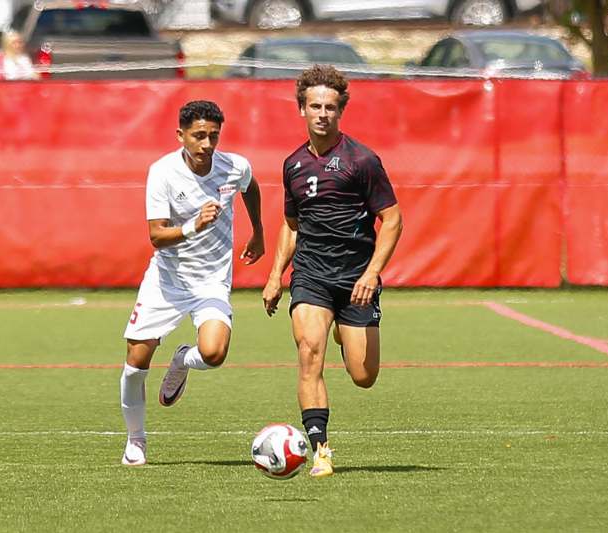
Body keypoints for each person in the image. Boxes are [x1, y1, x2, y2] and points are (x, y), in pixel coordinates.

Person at [261, 65, 403, 478]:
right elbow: (291, 225)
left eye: (330, 107)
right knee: (309, 353)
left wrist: (372, 274)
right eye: (314, 106)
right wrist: (275, 277)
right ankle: (320, 447)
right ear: (301, 109)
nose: (322, 113)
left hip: (356, 277)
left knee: (363, 375)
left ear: (341, 111)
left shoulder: (363, 161)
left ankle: (347, 327)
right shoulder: (293, 165)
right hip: (310, 275)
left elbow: (392, 220)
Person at [120, 100, 264, 466]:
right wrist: (192, 226)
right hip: (167, 280)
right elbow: (156, 236)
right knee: (136, 365)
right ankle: (136, 440)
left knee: (214, 354)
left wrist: (258, 231)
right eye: (199, 136)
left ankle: (184, 359)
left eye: (214, 136)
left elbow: (250, 186)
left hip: (212, 281)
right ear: (180, 135)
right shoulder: (163, 172)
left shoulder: (235, 166)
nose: (207, 144)